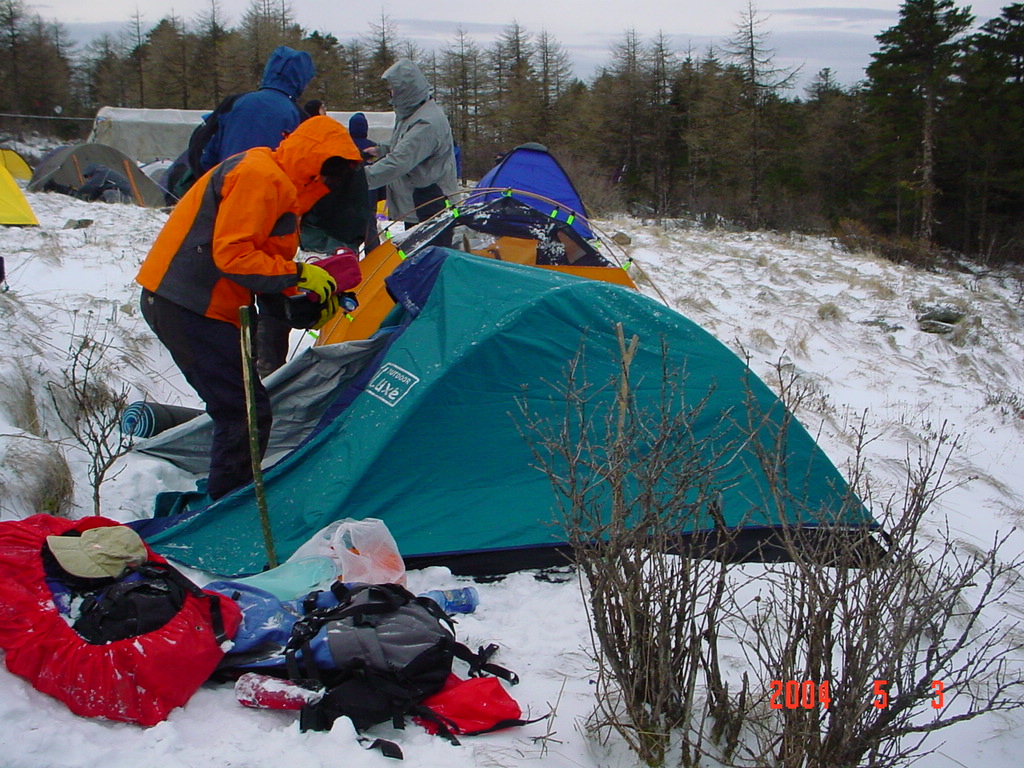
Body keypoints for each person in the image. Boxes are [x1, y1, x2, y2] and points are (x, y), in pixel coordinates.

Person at [135, 116, 363, 501]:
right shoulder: (261, 176)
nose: (329, 188)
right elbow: (233, 255)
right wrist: (298, 272)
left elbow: (261, 268)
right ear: (314, 164)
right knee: (241, 413)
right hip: (186, 301)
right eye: (330, 176)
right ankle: (227, 507)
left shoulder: (283, 193)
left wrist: (301, 307)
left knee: (247, 412)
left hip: (211, 305)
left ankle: (232, 497)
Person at [364, 59, 458, 230]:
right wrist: (380, 149)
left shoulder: (427, 122)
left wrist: (359, 180)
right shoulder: (413, 113)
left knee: (429, 255)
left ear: (406, 90)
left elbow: (400, 161)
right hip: (419, 203)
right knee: (416, 254)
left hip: (431, 204)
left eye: (393, 90)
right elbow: (403, 140)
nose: (391, 95)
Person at [199, 45, 316, 174]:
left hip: (227, 185)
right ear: (301, 81)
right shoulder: (299, 116)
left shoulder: (234, 103)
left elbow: (208, 153)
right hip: (271, 189)